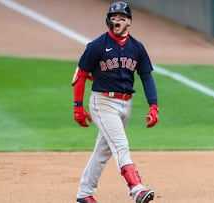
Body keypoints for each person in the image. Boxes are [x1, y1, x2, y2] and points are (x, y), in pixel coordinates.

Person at [72, 1, 159, 203]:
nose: (117, 21)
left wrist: (153, 105)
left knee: (102, 151)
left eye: (121, 18)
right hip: (103, 103)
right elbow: (81, 75)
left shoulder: (137, 48)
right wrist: (78, 106)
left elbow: (146, 76)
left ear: (129, 21)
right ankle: (136, 188)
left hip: (126, 104)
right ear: (108, 21)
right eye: (113, 17)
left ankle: (84, 193)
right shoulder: (96, 47)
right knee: (121, 146)